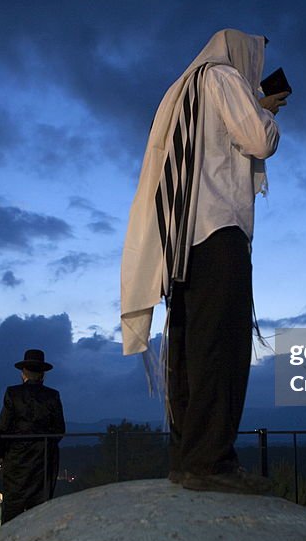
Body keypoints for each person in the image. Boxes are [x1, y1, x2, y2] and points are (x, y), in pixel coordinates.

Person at [120, 29, 288, 494]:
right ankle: (211, 461)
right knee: (222, 347)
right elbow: (257, 140)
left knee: (192, 350)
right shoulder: (222, 76)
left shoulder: (181, 89)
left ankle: (188, 458)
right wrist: (267, 112)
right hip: (218, 230)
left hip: (182, 242)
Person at [0, 348, 66, 522]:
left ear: (23, 373)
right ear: (43, 375)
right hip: (44, 461)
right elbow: (59, 429)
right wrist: (45, 444)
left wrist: (0, 456)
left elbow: (1, 428)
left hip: (16, 461)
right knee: (40, 512)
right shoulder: (52, 395)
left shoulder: (12, 393)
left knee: (12, 509)